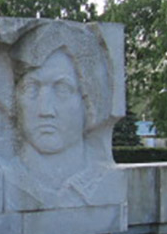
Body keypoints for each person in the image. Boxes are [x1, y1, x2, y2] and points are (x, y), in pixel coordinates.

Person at [7, 22, 122, 210]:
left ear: (88, 100)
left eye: (62, 89)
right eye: (31, 88)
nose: (46, 110)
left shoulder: (102, 180)